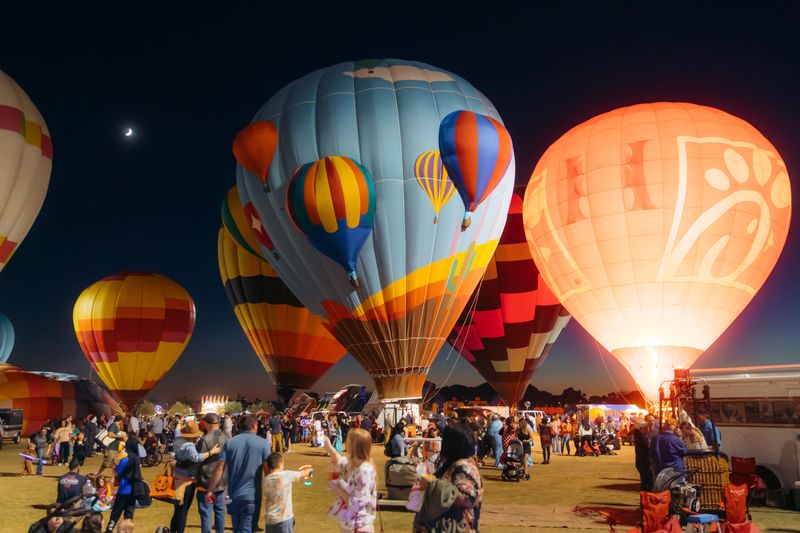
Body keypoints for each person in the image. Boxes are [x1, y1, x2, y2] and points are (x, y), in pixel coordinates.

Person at [207, 414, 271, 533]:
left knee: (237, 528)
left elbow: (219, 468)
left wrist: (211, 489)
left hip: (233, 495)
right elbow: (268, 472)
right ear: (254, 426)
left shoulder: (230, 443)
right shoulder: (263, 443)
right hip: (252, 496)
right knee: (247, 529)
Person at [413, 422, 483, 532]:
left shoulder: (465, 467)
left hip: (456, 526)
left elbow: (469, 499)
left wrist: (433, 484)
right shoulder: (452, 464)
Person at [170, 419, 221, 533]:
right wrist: (211, 452)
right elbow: (197, 458)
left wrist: (179, 423)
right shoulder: (189, 446)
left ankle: (173, 530)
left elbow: (177, 431)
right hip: (187, 480)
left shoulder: (177, 439)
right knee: (183, 510)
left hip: (176, 476)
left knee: (177, 509)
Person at [323, 428, 377, 533]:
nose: (346, 443)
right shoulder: (356, 465)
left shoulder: (364, 470)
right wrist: (329, 448)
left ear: (355, 445)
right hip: (353, 525)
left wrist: (337, 489)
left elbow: (356, 504)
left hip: (359, 526)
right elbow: (341, 462)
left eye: (348, 440)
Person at [261, 453, 312, 533]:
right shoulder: (286, 475)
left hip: (270, 520)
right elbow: (305, 473)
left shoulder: (265, 481)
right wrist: (310, 470)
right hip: (284, 519)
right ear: (280, 464)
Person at [197, 413, 229, 533]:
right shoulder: (227, 437)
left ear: (206, 424)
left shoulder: (205, 439)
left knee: (206, 513)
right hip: (222, 481)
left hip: (206, 481)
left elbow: (198, 459)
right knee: (220, 512)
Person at [105, 438, 143, 532]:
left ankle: (109, 529)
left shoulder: (125, 459)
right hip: (134, 490)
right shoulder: (137, 459)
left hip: (124, 489)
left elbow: (118, 472)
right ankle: (127, 529)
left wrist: (114, 468)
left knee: (116, 512)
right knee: (129, 513)